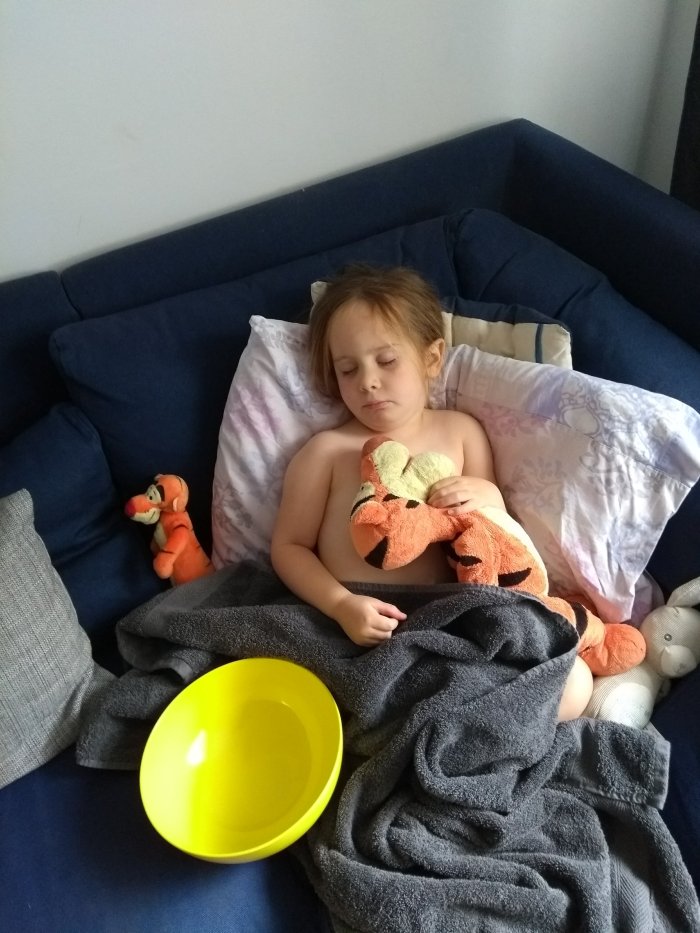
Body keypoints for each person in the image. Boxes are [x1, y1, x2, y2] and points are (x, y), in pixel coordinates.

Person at [270, 264, 592, 719]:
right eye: (348, 369)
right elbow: (289, 547)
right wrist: (341, 605)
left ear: (432, 358)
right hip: (361, 627)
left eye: (386, 361)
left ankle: (466, 725)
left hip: (455, 617)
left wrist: (487, 496)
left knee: (575, 681)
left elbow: (494, 533)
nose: (368, 381)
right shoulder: (325, 452)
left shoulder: (461, 432)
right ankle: (440, 726)